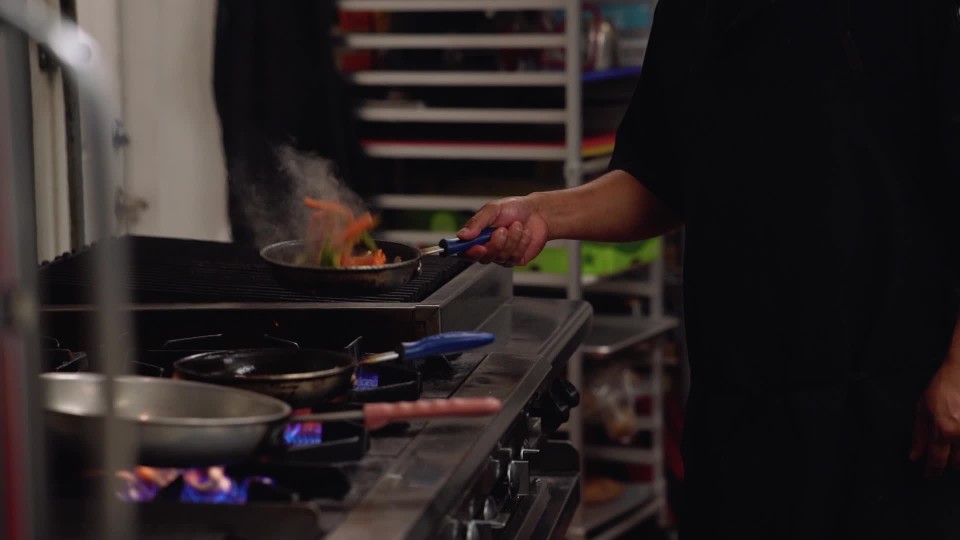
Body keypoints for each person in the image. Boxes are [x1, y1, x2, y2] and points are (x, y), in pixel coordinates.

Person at [457, 1, 960, 538]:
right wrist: (542, 214)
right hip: (739, 420)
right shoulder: (691, 13)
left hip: (890, 419)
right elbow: (660, 180)